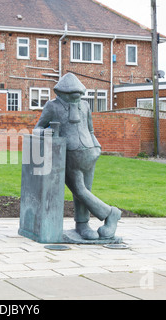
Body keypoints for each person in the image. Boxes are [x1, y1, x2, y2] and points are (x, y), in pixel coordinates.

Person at [34, 73, 121, 240]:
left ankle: (83, 226)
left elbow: (90, 130)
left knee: (85, 191)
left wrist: (97, 147)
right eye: (72, 94)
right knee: (79, 190)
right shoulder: (52, 106)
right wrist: (46, 132)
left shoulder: (85, 106)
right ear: (61, 92)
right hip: (68, 155)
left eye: (79, 94)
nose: (77, 97)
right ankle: (110, 213)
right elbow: (37, 128)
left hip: (90, 152)